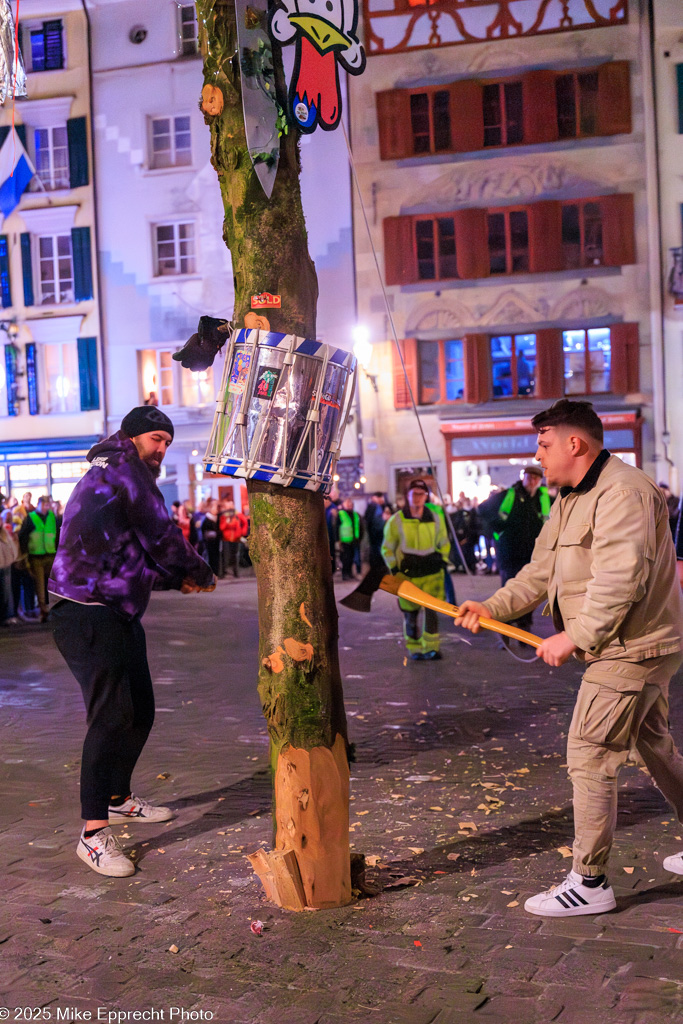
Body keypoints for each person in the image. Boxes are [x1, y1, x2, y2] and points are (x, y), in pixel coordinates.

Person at [455, 399, 683, 916]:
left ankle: (590, 881)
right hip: (628, 644)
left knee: (589, 752)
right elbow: (540, 573)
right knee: (654, 747)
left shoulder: (624, 491)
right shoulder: (568, 500)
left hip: (631, 647)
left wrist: (574, 636)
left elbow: (621, 579)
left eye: (544, 441)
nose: (538, 452)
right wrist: (490, 606)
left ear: (573, 443)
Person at [49, 406, 215, 879]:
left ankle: (118, 798)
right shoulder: (127, 470)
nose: (161, 448)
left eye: (167, 441)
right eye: (156, 438)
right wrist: (198, 573)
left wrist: (173, 580)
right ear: (134, 436)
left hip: (112, 608)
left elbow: (127, 553)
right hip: (84, 611)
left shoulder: (116, 469)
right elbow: (161, 536)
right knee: (111, 715)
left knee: (140, 708)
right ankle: (92, 834)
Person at [382, 479, 450, 660]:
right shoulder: (397, 520)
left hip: (432, 573)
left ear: (426, 496)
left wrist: (442, 560)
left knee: (432, 614)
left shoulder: (436, 518)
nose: (418, 498)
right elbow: (387, 547)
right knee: (410, 614)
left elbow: (444, 541)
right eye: (414, 494)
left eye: (421, 494)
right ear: (408, 496)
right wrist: (395, 569)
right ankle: (414, 649)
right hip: (409, 575)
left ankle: (431, 648)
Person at [479, 465, 551, 631]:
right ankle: (505, 626)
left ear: (540, 481)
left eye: (535, 478)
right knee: (509, 587)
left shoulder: (544, 498)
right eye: (529, 477)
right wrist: (498, 528)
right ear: (523, 477)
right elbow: (482, 509)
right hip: (509, 552)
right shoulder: (509, 495)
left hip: (532, 553)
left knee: (529, 590)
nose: (532, 481)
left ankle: (525, 625)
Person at [18, 494, 59, 622]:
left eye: (49, 505)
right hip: (36, 557)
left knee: (52, 585)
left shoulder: (52, 517)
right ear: (40, 504)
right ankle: (44, 611)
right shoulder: (31, 518)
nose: (48, 507)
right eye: (46, 504)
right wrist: (25, 555)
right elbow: (22, 537)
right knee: (40, 585)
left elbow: (57, 534)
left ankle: (52, 609)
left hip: (51, 555)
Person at [219, 501, 248, 578]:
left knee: (236, 556)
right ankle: (224, 572)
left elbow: (245, 523)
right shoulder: (224, 516)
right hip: (226, 539)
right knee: (226, 556)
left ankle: (236, 572)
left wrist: (242, 532)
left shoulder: (238, 515)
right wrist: (227, 521)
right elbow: (221, 528)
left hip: (236, 538)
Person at [337, 498, 362, 581]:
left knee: (351, 558)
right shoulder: (341, 514)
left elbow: (360, 527)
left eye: (351, 504)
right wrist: (338, 540)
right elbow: (336, 528)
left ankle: (350, 573)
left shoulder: (355, 514)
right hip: (345, 541)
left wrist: (359, 538)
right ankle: (345, 574)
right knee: (346, 559)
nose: (350, 506)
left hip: (354, 540)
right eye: (348, 504)